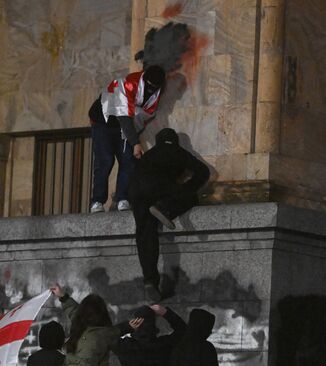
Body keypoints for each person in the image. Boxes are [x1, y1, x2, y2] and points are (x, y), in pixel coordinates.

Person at [128, 128, 210, 301]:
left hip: (137, 192)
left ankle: (150, 281)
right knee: (191, 197)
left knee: (145, 235)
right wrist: (186, 188)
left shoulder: (149, 154)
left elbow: (133, 173)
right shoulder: (177, 151)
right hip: (160, 188)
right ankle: (166, 209)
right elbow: (203, 171)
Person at [89, 65, 166, 213]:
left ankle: (122, 198)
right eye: (149, 86)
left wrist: (132, 140)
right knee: (105, 161)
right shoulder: (128, 84)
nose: (151, 90)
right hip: (103, 122)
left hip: (124, 126)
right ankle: (97, 201)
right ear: (144, 79)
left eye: (154, 88)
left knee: (128, 161)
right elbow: (124, 116)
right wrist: (135, 143)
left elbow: (142, 116)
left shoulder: (154, 94)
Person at [50, 284, 143, 365]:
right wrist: (128, 327)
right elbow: (110, 333)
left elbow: (73, 310)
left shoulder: (79, 323)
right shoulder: (101, 336)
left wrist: (63, 296)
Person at [116, 304, 186, 366]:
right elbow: (183, 331)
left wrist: (127, 327)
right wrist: (165, 312)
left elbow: (108, 336)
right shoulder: (165, 344)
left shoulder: (126, 347)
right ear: (154, 327)